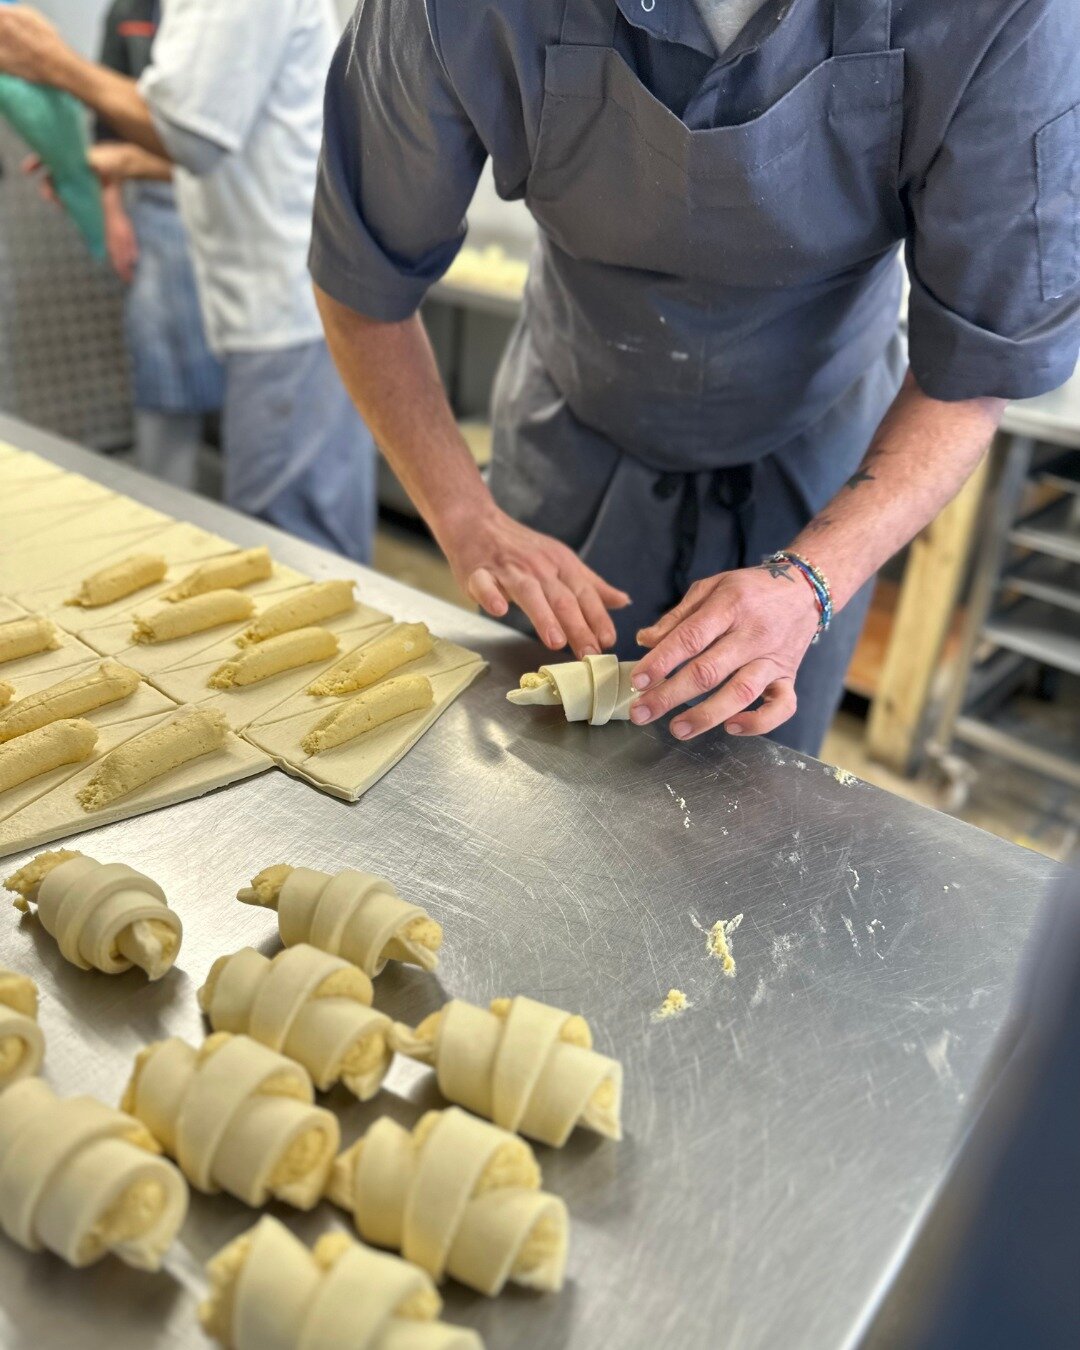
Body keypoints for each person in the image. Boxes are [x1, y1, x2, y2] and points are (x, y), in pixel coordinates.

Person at [298, 0, 1079, 753]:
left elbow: (977, 367)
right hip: (570, 442)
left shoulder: (1005, 14)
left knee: (746, 819)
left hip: (825, 468)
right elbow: (364, 279)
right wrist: (464, 513)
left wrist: (812, 579)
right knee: (531, 777)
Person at [0, 0, 376, 563]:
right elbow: (245, 139)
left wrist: (54, 62)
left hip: (291, 305)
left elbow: (193, 131)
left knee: (293, 547)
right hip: (278, 302)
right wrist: (129, 163)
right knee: (285, 533)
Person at [94, 0, 222, 492]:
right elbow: (105, 122)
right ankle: (166, 502)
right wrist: (113, 211)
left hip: (238, 214)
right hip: (158, 212)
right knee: (162, 383)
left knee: (261, 403)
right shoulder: (126, 10)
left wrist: (53, 63)